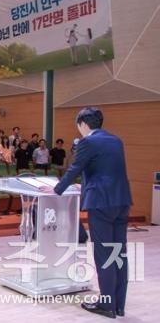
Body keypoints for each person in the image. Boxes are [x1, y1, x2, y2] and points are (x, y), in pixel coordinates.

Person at [41, 107, 131, 318]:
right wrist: (87, 186)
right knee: (119, 253)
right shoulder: (116, 140)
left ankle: (106, 304)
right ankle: (118, 304)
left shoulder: (87, 141)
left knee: (104, 254)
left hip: (101, 203)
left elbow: (75, 169)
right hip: (122, 200)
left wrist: (56, 190)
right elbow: (107, 170)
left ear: (83, 124)